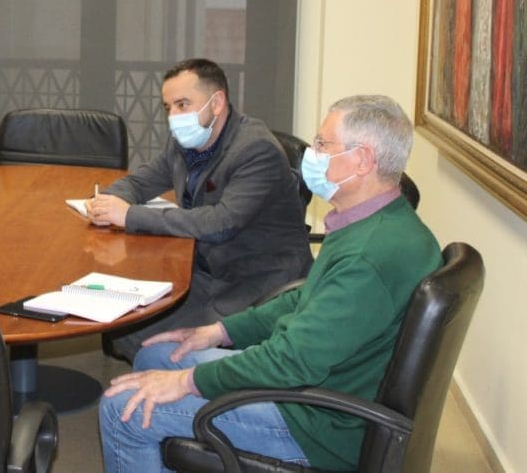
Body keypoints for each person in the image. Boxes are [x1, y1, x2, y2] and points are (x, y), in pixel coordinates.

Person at [98, 94, 443, 472]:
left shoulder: (369, 257)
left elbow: (292, 362)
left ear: (362, 160)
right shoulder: (377, 222)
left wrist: (187, 382)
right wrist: (220, 331)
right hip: (315, 387)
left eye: (323, 144)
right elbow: (306, 299)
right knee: (155, 357)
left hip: (318, 425)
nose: (312, 154)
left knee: (122, 409)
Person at [85, 58, 311, 361]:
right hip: (206, 270)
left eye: (183, 105)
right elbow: (140, 182)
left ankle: (196, 384)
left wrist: (128, 215)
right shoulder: (186, 142)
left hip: (256, 282)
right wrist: (107, 201)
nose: (173, 117)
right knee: (125, 329)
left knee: (148, 343)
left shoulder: (256, 149)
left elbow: (221, 223)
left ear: (216, 103)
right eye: (168, 107)